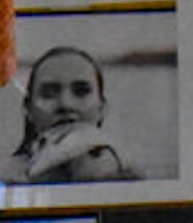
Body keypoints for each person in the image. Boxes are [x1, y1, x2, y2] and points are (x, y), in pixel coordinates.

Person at [9, 45, 134, 184]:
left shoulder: (134, 179)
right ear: (28, 109)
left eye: (81, 92)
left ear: (102, 108)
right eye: (48, 94)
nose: (66, 104)